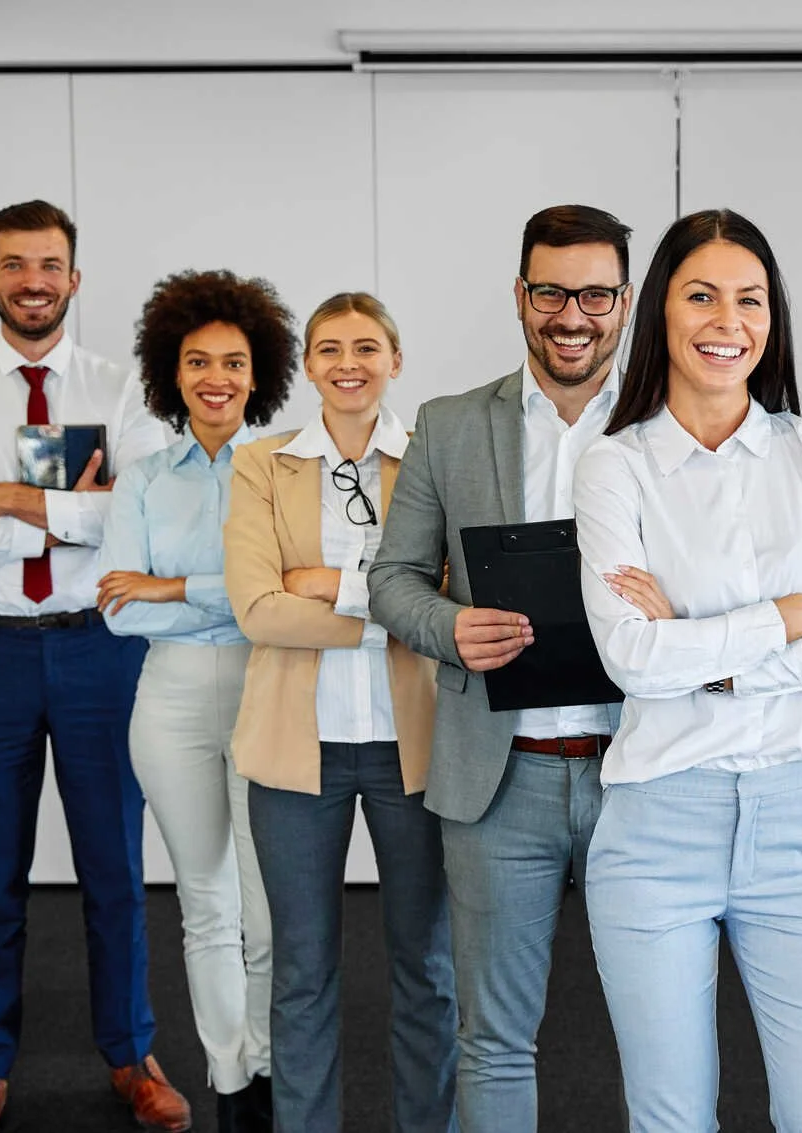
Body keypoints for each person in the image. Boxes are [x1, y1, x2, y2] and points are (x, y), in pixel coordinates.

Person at [569, 208, 802, 1132]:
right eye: (701, 294)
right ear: (660, 312)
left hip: (798, 823)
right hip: (656, 825)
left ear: (772, 319)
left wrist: (709, 658)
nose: (727, 320)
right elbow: (631, 656)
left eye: (749, 299)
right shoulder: (614, 466)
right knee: (670, 1119)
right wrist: (786, 619)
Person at [0, 199, 187, 1133]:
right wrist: (68, 505)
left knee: (115, 868)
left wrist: (6, 498)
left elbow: (137, 518)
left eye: (49, 264)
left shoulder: (125, 389)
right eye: (14, 264)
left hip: (101, 645)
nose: (32, 281)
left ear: (75, 276)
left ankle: (131, 1055)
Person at [369, 205, 632, 1131]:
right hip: (499, 776)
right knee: (493, 1038)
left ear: (624, 301)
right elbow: (391, 579)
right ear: (521, 296)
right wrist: (448, 626)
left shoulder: (672, 420)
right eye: (551, 290)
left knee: (659, 1033)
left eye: (595, 292)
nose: (573, 313)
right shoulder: (448, 425)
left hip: (644, 771)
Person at [223, 292, 458, 1133]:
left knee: (428, 968)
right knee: (301, 972)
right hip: (297, 754)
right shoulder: (262, 463)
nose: (348, 363)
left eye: (366, 346)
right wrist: (395, 605)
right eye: (329, 348)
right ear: (310, 364)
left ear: (395, 358)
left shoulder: (434, 459)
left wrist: (327, 586)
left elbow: (454, 599)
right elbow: (258, 610)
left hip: (417, 752)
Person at [97, 269, 300, 1131]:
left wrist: (170, 583)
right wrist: (231, 590)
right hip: (171, 703)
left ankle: (268, 1060)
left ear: (259, 375)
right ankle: (230, 1081)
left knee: (266, 910)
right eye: (196, 361)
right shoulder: (143, 479)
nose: (215, 376)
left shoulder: (284, 470)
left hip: (267, 694)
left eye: (233, 361)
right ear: (171, 374)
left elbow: (289, 590)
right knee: (206, 904)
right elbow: (113, 611)